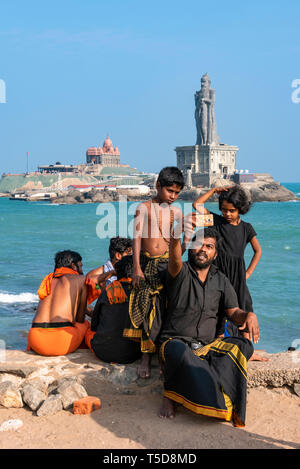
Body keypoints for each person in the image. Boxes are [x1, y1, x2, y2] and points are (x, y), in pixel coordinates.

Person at [159, 224, 260, 427]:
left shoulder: (221, 279)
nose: (203, 249)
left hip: (207, 345)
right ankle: (171, 396)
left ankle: (208, 390)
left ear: (215, 253)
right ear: (191, 248)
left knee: (244, 346)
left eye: (209, 246)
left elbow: (234, 314)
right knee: (179, 352)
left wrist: (249, 315)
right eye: (199, 245)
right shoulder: (180, 272)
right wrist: (176, 236)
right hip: (175, 341)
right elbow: (174, 258)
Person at [192, 185, 267, 361]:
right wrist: (213, 191)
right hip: (218, 275)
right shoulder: (216, 221)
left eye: (232, 211)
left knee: (244, 308)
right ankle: (219, 345)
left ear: (240, 209)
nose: (227, 214)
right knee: (219, 311)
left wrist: (248, 273)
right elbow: (197, 204)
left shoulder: (247, 228)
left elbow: (258, 251)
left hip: (238, 277)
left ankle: (248, 350)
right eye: (224, 210)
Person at [128, 166, 186, 379]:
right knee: (148, 307)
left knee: (166, 308)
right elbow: (135, 239)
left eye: (177, 193)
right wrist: (136, 267)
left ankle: (163, 354)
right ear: (158, 186)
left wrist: (186, 238)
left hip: (168, 264)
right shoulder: (143, 208)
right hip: (147, 264)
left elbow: (177, 244)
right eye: (170, 191)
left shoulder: (177, 212)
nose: (173, 196)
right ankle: (145, 356)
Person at [27, 250, 90, 356]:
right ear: (73, 266)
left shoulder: (47, 280)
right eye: (80, 266)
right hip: (60, 343)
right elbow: (80, 318)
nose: (82, 270)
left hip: (35, 339)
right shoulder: (81, 279)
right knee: (86, 325)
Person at [85, 255, 142, 364]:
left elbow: (95, 324)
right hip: (133, 354)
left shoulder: (109, 290)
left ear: (117, 273)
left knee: (88, 333)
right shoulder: (142, 293)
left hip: (103, 352)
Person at [85, 237, 133, 304]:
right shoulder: (101, 272)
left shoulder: (133, 268)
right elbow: (87, 281)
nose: (132, 258)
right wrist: (111, 274)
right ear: (118, 255)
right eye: (129, 255)